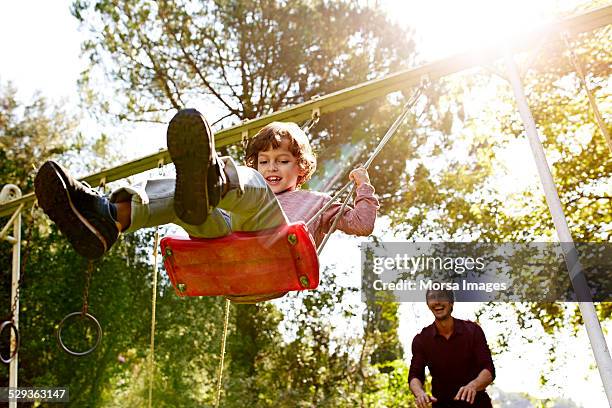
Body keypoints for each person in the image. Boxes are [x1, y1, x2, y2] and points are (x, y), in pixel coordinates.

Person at [34, 108, 378, 277]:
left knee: (251, 190)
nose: (272, 168)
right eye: (264, 160)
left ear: (301, 169)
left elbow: (362, 224)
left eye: (283, 161)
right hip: (228, 253)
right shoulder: (253, 183)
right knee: (183, 199)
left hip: (277, 259)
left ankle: (213, 183)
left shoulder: (317, 203)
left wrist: (363, 187)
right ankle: (111, 217)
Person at [408, 289, 495, 408]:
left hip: (477, 405)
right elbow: (415, 375)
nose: (437, 301)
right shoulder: (421, 339)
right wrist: (420, 393)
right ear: (428, 305)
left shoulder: (472, 331)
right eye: (432, 298)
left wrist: (473, 386)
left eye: (441, 297)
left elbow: (488, 370)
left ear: (451, 302)